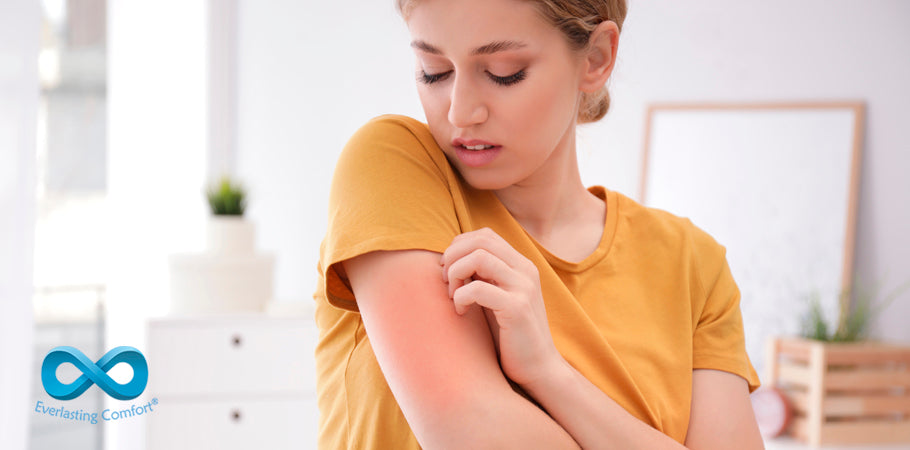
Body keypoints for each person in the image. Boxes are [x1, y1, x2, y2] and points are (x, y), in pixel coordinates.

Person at [313, 0, 764, 448]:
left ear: (596, 58)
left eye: (503, 72)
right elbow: (470, 430)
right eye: (434, 71)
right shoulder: (392, 166)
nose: (460, 112)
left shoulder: (692, 263)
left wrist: (549, 373)